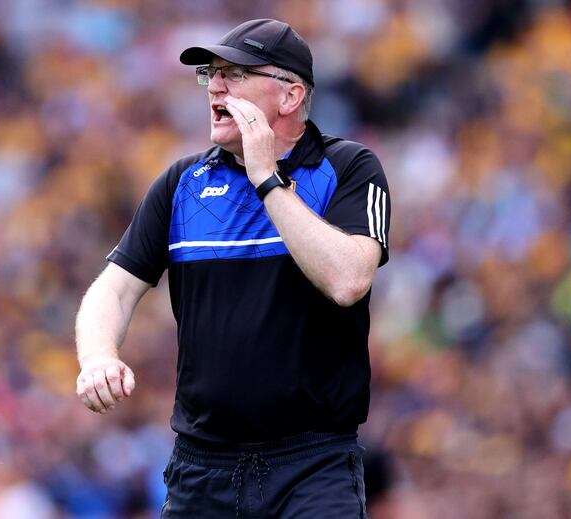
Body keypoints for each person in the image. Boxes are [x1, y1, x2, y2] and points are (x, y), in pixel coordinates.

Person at [75, 18, 391, 518]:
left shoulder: (348, 167)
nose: (215, 86)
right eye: (211, 74)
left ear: (289, 96)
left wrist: (267, 179)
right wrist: (97, 357)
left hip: (313, 466)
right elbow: (111, 289)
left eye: (236, 74)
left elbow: (348, 280)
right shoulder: (182, 183)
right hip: (202, 469)